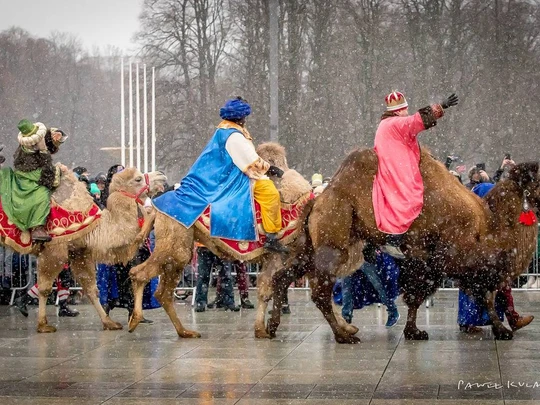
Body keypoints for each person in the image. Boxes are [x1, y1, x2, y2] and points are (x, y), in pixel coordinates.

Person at [152, 96, 287, 253]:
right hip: (232, 178)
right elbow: (251, 161)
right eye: (244, 116)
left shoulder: (224, 131)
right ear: (241, 117)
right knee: (269, 191)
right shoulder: (234, 135)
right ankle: (271, 236)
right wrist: (270, 168)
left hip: (225, 174)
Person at [373, 91, 459, 259]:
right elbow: (416, 120)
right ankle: (393, 239)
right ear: (398, 111)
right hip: (397, 168)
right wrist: (440, 107)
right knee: (409, 198)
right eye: (405, 109)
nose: (407, 112)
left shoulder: (386, 124)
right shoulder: (395, 123)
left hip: (391, 166)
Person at [458, 180, 534, 333]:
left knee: (495, 289)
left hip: (481, 262)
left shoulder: (482, 216)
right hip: (481, 263)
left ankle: (473, 320)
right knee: (499, 288)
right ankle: (509, 318)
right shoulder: (482, 218)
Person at [0, 119, 68, 242]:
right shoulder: (31, 151)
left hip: (29, 175)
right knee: (42, 194)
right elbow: (47, 175)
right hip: (28, 178)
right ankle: (37, 226)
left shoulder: (32, 151)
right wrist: (44, 152)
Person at [339, 244, 400, 327]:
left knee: (378, 284)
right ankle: (346, 316)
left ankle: (392, 311)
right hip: (350, 256)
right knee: (347, 287)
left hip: (363, 255)